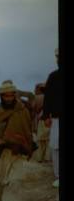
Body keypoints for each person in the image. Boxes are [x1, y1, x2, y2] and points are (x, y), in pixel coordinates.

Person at [42, 48, 62, 188]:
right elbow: (47, 98)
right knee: (56, 147)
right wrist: (46, 116)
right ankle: (58, 176)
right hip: (57, 118)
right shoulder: (53, 76)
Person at [31, 83, 50, 163]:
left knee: (40, 140)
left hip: (40, 120)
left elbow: (33, 108)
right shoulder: (51, 97)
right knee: (48, 140)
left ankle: (39, 158)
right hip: (49, 120)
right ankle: (47, 158)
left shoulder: (36, 98)